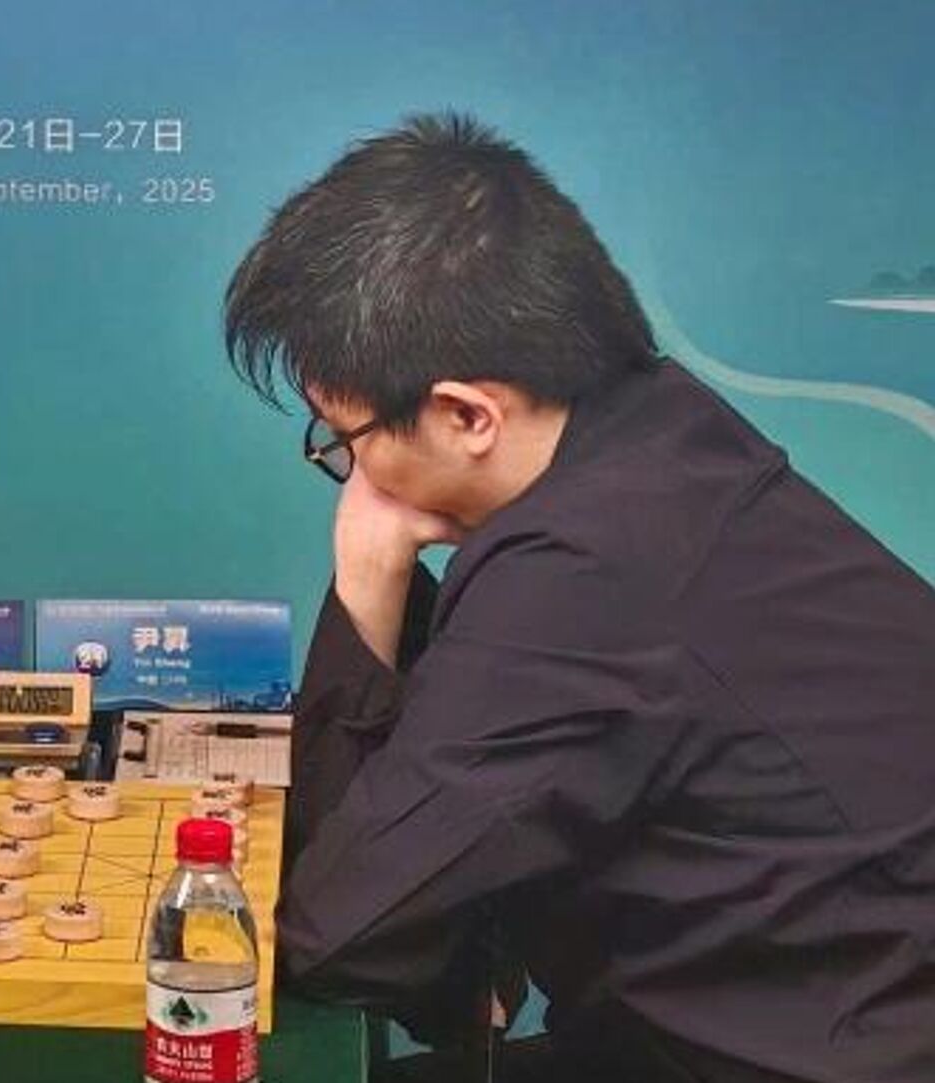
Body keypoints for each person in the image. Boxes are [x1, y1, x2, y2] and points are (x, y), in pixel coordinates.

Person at [225, 112, 935, 1082]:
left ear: (467, 415)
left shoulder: (587, 573)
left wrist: (366, 571)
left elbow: (343, 935)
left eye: (343, 439)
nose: (354, 475)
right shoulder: (664, 437)